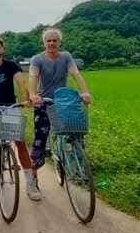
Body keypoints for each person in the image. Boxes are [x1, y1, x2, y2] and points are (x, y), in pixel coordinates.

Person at [0, 37, 41, 201]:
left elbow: (21, 81)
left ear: (2, 50)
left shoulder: (11, 65)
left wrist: (26, 98)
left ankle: (30, 184)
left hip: (10, 105)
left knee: (20, 143)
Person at [28, 27, 93, 192]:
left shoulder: (65, 57)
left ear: (59, 42)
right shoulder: (37, 59)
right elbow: (33, 77)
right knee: (40, 139)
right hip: (44, 101)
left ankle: (80, 170)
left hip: (62, 101)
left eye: (54, 40)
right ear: (44, 43)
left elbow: (75, 74)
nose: (51, 43)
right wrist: (33, 95)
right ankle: (32, 178)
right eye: (48, 40)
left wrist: (85, 92)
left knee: (75, 131)